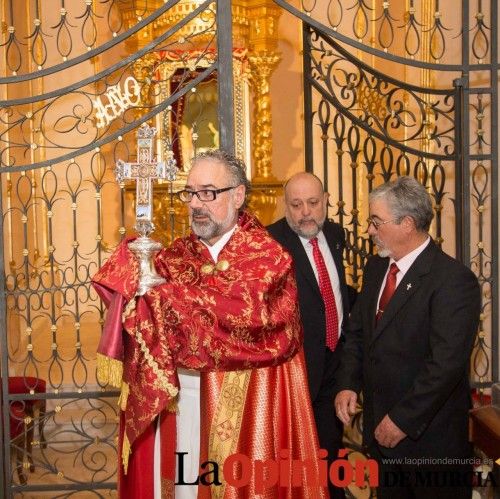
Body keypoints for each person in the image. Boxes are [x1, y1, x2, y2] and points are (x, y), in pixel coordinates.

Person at [92, 150, 328, 499]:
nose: (195, 204)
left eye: (207, 192)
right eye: (189, 193)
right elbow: (135, 308)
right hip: (179, 405)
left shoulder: (268, 259)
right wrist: (132, 272)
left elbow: (242, 316)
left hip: (243, 411)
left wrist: (163, 301)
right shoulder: (174, 257)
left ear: (238, 195)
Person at [334, 176, 480, 499]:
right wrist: (348, 382)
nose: (368, 230)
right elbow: (358, 334)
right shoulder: (375, 269)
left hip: (429, 445)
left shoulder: (453, 281)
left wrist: (400, 420)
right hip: (381, 441)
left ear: (407, 224)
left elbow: (445, 366)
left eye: (376, 221)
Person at [268, 172, 355, 499]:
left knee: (331, 456)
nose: (305, 212)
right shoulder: (271, 243)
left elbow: (333, 292)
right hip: (296, 373)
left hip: (336, 365)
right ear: (286, 206)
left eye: (313, 203)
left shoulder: (334, 234)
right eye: (296, 204)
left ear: (327, 200)